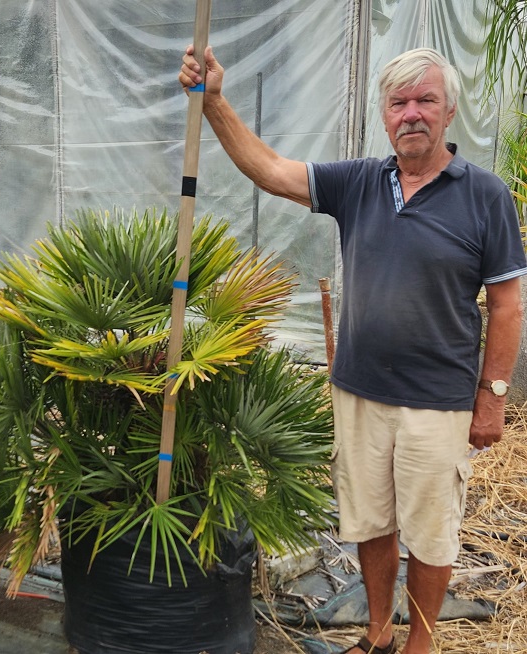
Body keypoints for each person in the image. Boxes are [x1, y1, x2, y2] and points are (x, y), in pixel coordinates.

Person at [179, 45, 526, 654]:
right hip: (359, 389)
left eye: (426, 101)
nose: (412, 113)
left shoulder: (484, 195)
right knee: (370, 521)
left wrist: (492, 396)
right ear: (385, 116)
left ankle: (420, 643)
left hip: (437, 401)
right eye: (399, 103)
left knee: (432, 534)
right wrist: (214, 104)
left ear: (449, 113)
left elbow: (506, 305)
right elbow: (271, 170)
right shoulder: (361, 181)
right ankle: (378, 634)